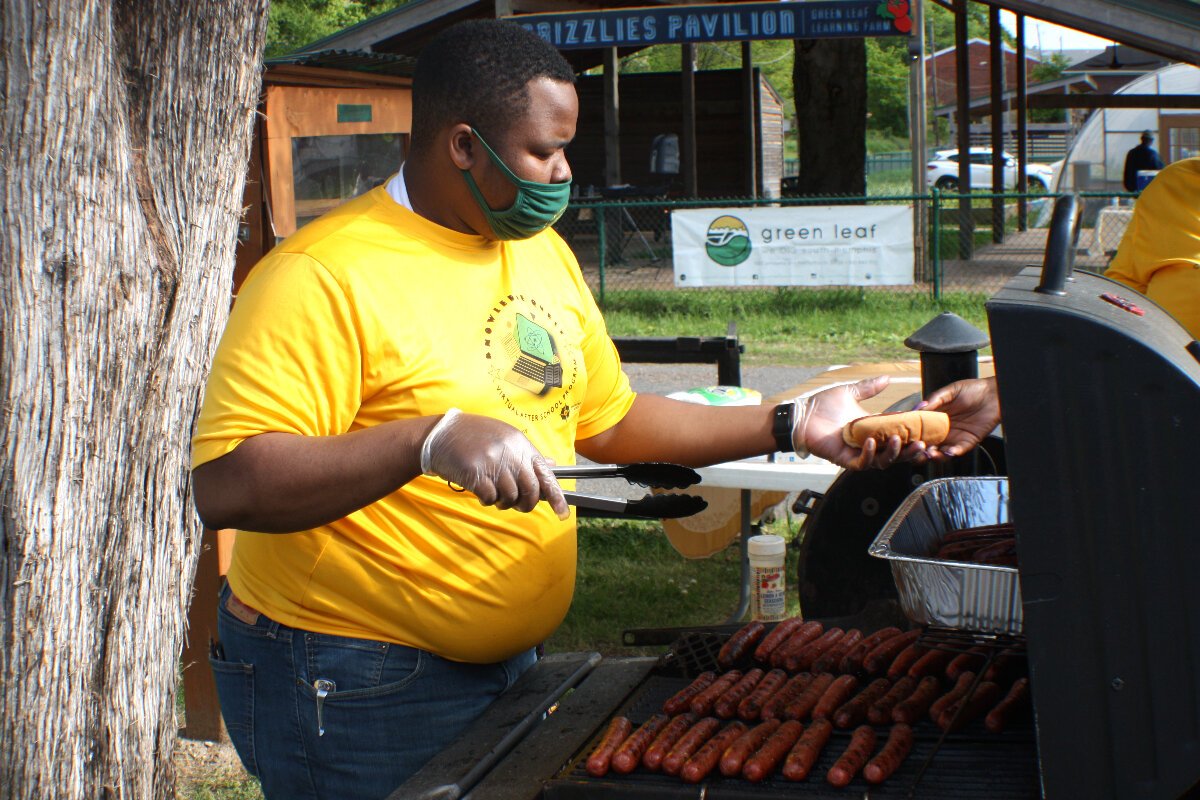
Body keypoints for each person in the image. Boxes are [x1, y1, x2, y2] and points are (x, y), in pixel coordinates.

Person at [191, 20, 903, 799]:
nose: (564, 171)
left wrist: (790, 423)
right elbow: (229, 485)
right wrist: (428, 441)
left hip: (507, 665)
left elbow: (610, 420)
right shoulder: (321, 274)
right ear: (463, 145)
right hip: (354, 676)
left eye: (566, 148)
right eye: (542, 151)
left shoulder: (536, 250)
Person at [1104, 157, 1200, 338]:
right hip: (1169, 347)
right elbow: (1124, 280)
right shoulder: (1175, 180)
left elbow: (1125, 278)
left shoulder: (1174, 179)